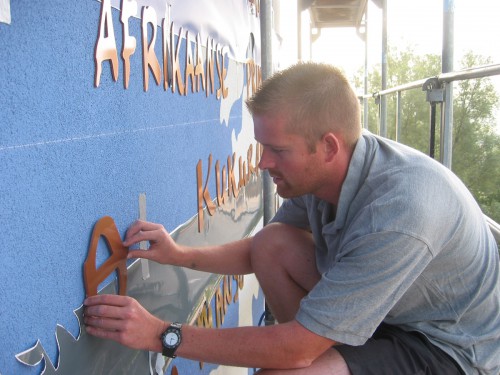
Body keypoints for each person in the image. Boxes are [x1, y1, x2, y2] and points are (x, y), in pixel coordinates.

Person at [84, 62, 500, 374]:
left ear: (329, 147)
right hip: (386, 310)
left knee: (283, 369)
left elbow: (298, 347)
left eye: (277, 150)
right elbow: (258, 252)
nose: (263, 163)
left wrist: (161, 335)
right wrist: (178, 254)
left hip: (447, 345)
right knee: (273, 243)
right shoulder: (332, 171)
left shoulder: (399, 212)